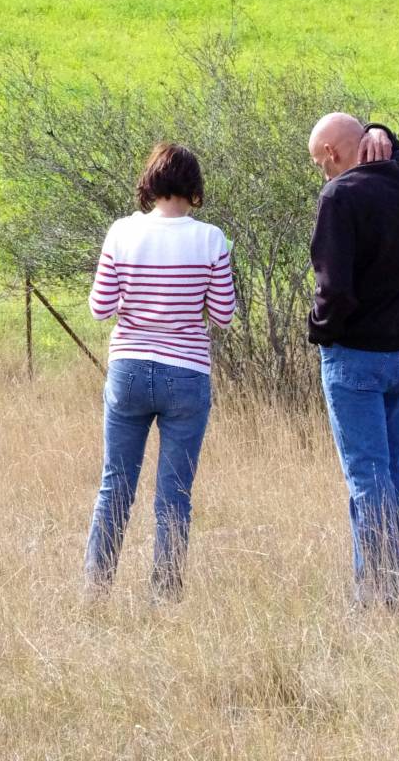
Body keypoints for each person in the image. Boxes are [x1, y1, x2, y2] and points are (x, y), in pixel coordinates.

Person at [82, 142, 237, 596]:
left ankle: (96, 588)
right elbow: (223, 315)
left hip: (129, 367)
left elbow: (100, 307)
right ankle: (164, 595)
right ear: (193, 187)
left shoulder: (122, 232)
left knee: (115, 485)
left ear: (152, 183)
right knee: (174, 495)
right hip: (187, 373)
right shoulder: (211, 239)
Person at [307, 113, 399, 604]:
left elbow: (333, 290)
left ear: (332, 156)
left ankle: (375, 593)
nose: (323, 173)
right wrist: (379, 128)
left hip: (354, 357)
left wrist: (319, 331)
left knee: (367, 477)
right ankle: (397, 582)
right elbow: (395, 146)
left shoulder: (340, 197)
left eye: (321, 163)